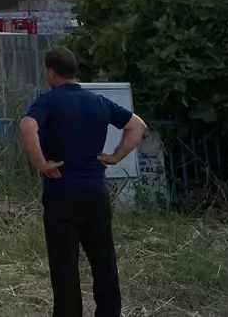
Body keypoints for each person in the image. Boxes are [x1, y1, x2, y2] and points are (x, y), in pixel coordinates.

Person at [18, 46, 147, 317]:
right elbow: (137, 126)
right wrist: (115, 157)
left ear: (50, 72)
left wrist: (41, 164)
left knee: (65, 266)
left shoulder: (48, 102)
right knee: (104, 261)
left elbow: (27, 126)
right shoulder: (98, 101)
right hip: (96, 193)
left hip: (62, 194)